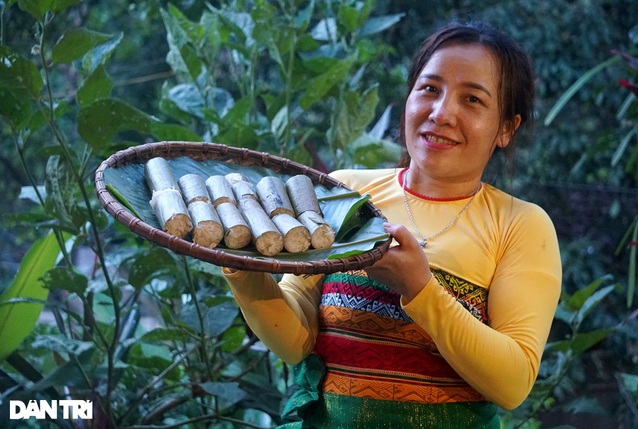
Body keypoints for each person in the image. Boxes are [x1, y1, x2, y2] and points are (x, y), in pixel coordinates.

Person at [222, 20, 562, 429]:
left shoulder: (520, 225)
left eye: (472, 99)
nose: (441, 113)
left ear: (506, 127)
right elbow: (297, 342)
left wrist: (421, 290)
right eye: (430, 89)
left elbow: (512, 384)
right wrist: (241, 269)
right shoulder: (345, 192)